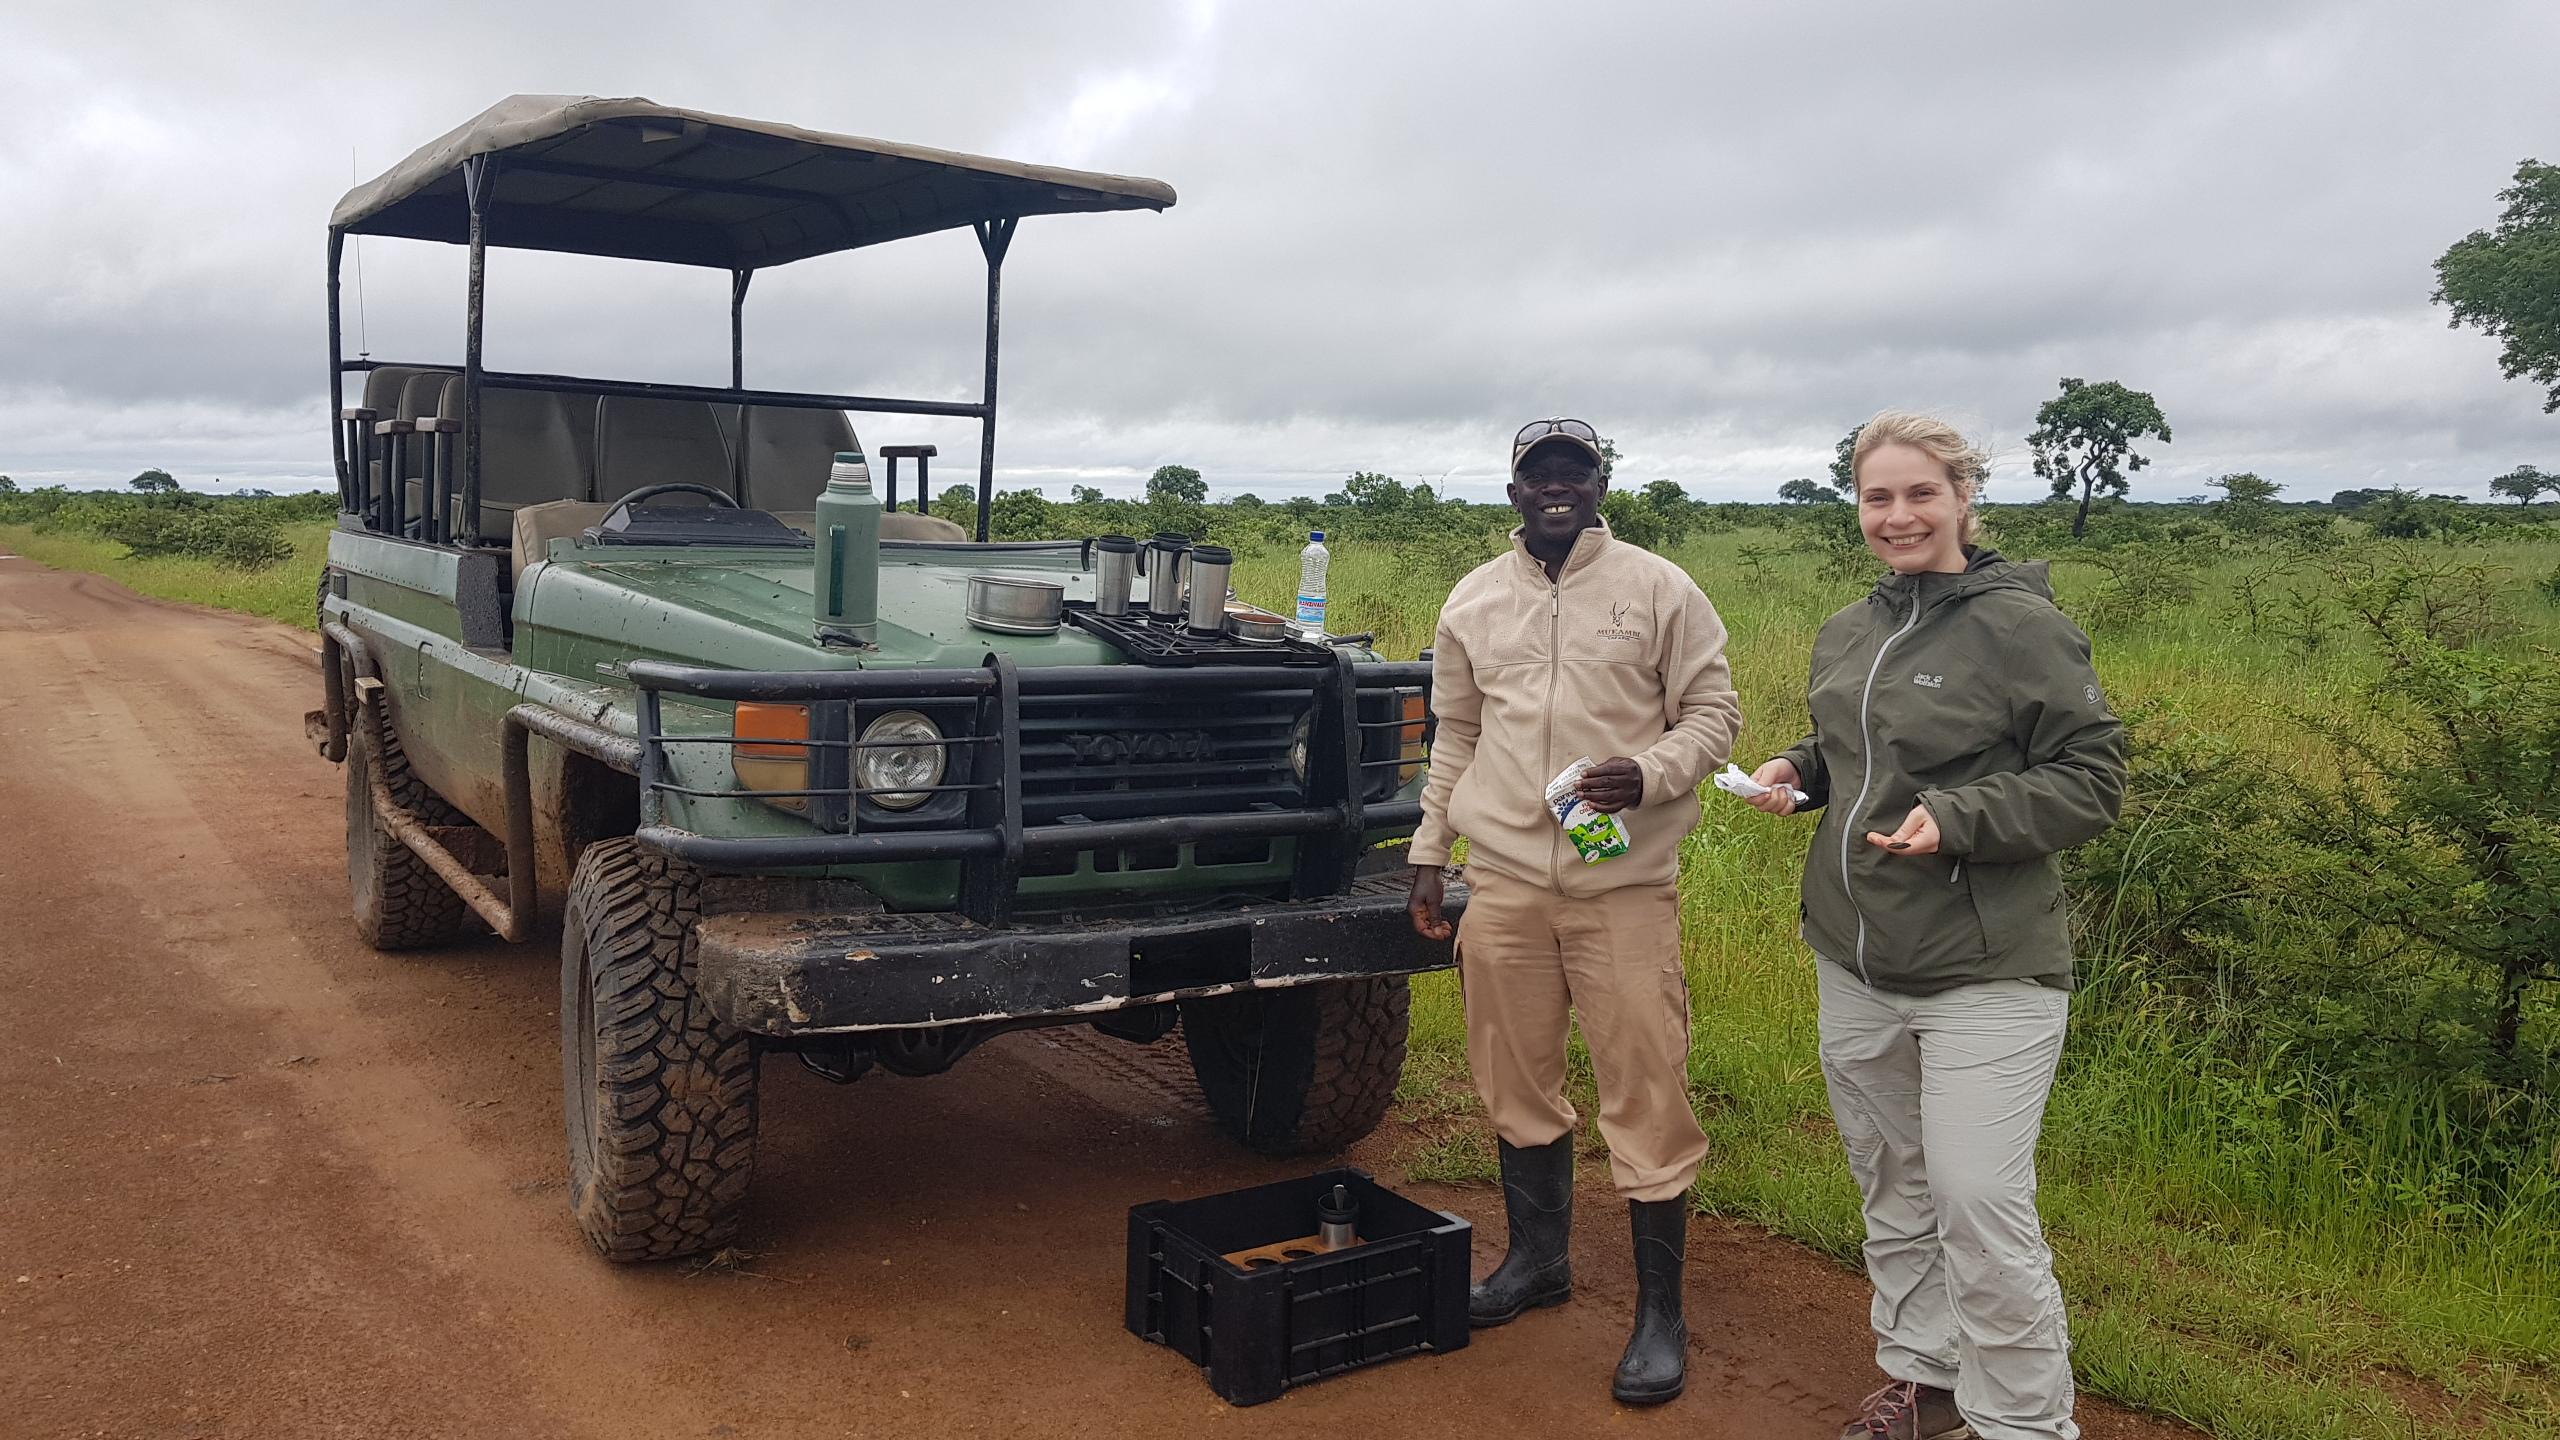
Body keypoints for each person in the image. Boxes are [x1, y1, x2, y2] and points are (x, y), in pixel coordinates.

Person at [1739, 411, 2124, 1440]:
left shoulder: (2019, 626)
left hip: (1987, 970)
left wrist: (1956, 821)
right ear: (1856, 506)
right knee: (1892, 1182)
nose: (1897, 515)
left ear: (1963, 499)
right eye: (1877, 497)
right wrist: (1798, 772)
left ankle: (2025, 1426)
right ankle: (1928, 1382)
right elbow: (1854, 752)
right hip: (1856, 958)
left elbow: (2089, 780)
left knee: (1978, 1205)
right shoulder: (1852, 627)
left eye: (1920, 493)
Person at [1407, 417, 1742, 1405]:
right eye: (1537, 474)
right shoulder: (1473, 599)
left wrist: (1650, 771)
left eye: (1575, 471)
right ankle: (1537, 1264)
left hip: (1622, 891)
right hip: (1503, 884)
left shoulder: (1658, 589)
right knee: (1512, 1075)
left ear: (1600, 483)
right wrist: (1431, 850)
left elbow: (1715, 717)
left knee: (1646, 1087)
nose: (1556, 486)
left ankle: (1659, 1317)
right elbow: (1453, 735)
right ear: (1513, 490)